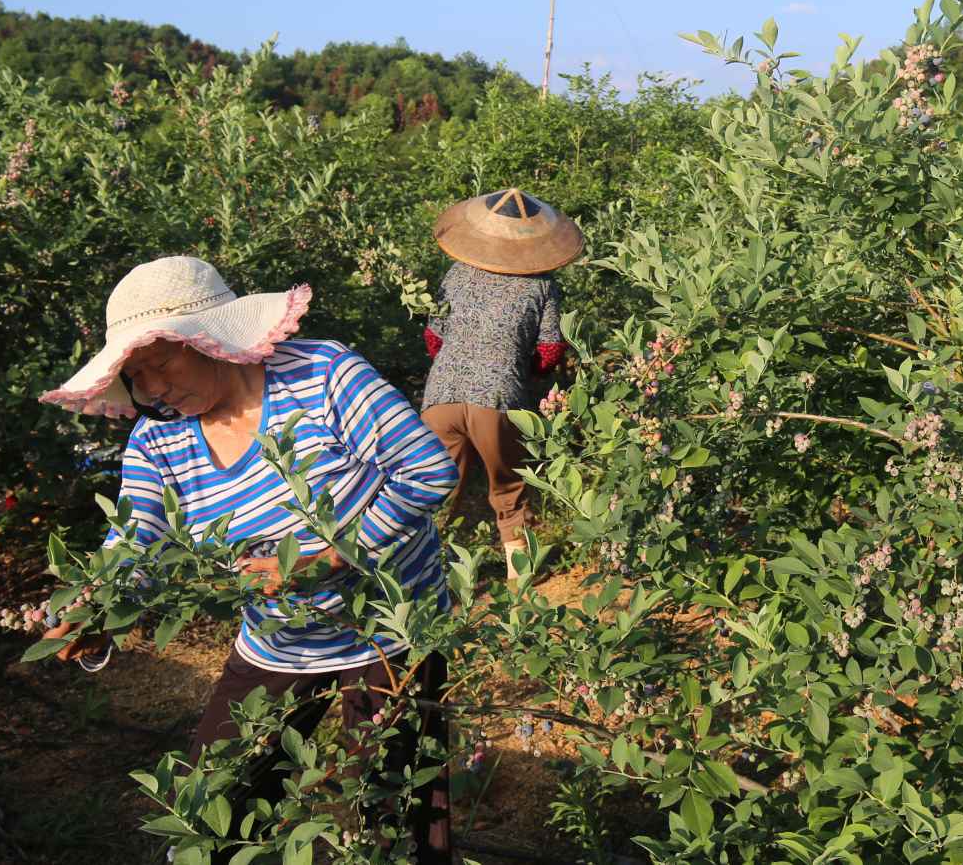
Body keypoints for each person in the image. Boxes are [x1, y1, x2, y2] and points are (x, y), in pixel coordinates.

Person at [36, 255, 457, 863]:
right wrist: (98, 606)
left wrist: (328, 558)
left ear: (210, 341)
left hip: (392, 632)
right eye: (136, 374)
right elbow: (137, 540)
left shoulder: (323, 376)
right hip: (279, 644)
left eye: (161, 363)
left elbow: (427, 470)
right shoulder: (159, 440)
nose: (152, 389)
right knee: (207, 807)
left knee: (394, 820)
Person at [420, 188, 581, 580]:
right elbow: (549, 350)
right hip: (497, 398)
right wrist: (524, 370)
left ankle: (425, 575)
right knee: (508, 488)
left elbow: (433, 339)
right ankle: (519, 576)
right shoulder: (541, 285)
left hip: (439, 397)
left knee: (434, 491)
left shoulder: (456, 273)